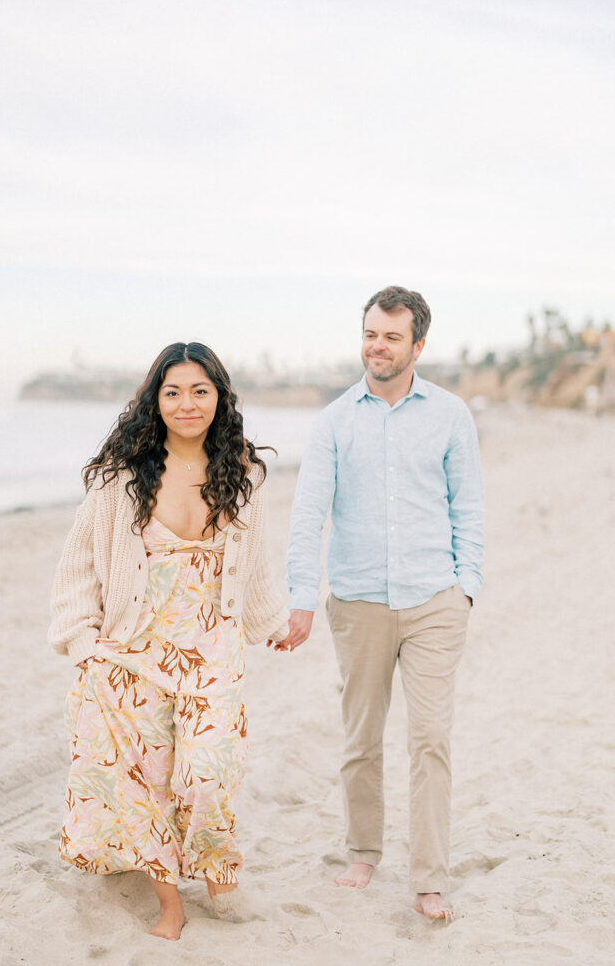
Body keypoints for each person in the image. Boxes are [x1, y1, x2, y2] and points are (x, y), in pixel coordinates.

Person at [49, 341, 289, 941]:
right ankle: (169, 901)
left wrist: (272, 622)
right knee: (146, 779)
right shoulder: (121, 479)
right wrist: (83, 644)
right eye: (173, 391)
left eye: (199, 391)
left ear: (219, 397)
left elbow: (254, 565)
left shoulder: (243, 474)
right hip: (132, 651)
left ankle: (215, 867)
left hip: (211, 651)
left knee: (208, 774)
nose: (187, 404)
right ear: (154, 400)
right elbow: (77, 565)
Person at [279, 287, 484, 921]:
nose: (378, 345)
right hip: (358, 600)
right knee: (361, 737)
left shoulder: (451, 416)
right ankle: (363, 851)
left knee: (430, 739)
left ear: (417, 345)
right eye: (371, 333)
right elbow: (309, 511)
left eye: (392, 336)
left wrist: (465, 588)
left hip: (433, 602)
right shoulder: (335, 420)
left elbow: (468, 507)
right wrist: (301, 598)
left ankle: (429, 877)